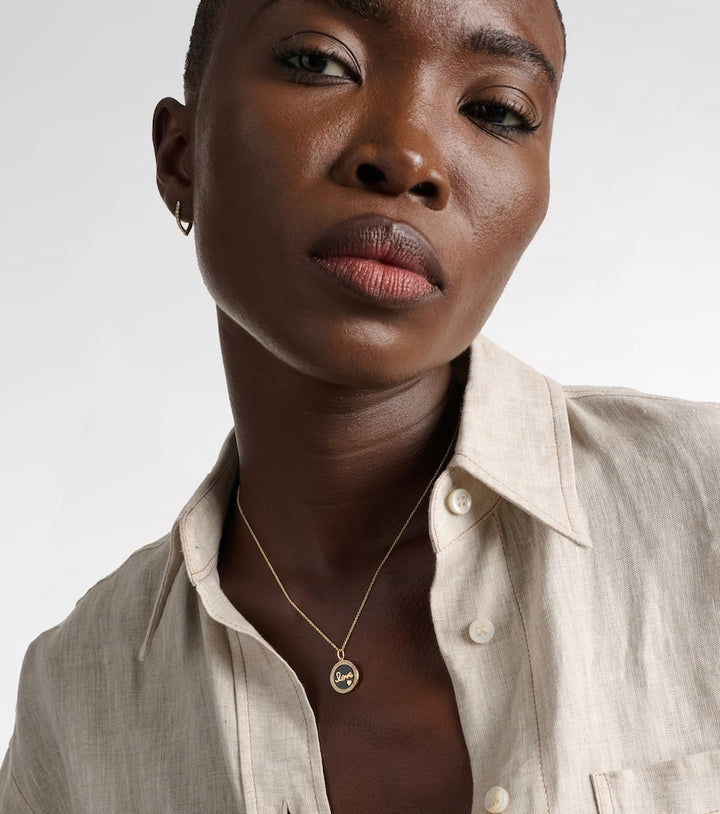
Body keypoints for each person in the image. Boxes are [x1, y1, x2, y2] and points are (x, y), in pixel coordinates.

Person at [2, 0, 719, 811]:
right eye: (320, 62)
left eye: (496, 110)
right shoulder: (76, 702)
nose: (408, 157)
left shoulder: (703, 507)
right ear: (180, 157)